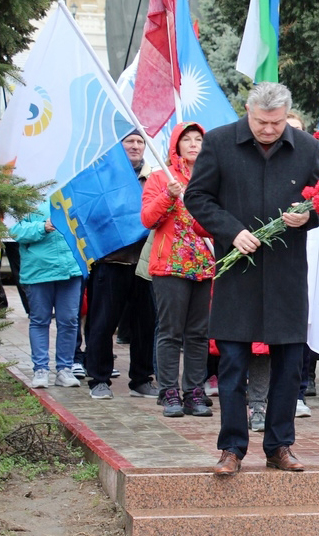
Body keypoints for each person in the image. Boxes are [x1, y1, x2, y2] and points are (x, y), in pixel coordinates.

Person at [185, 82, 319, 477]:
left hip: (286, 273)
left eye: (277, 123)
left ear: (287, 115)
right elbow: (197, 198)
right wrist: (231, 231)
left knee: (288, 364)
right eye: (262, 122)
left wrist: (310, 216)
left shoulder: (307, 147)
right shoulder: (218, 143)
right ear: (248, 110)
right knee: (231, 364)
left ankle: (279, 446)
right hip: (237, 271)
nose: (269, 130)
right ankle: (231, 447)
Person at [140, 122, 214, 419]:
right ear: (176, 145)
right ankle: (168, 390)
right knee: (170, 332)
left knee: (198, 333)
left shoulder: (210, 178)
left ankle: (194, 391)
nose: (194, 144)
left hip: (205, 265)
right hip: (170, 265)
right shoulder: (161, 177)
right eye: (187, 140)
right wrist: (169, 195)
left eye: (199, 139)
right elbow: (147, 218)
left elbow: (216, 221)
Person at [85, 131, 157, 401]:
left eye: (140, 142)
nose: (136, 146)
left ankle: (141, 380)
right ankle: (99, 379)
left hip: (144, 264)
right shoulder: (103, 178)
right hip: (111, 262)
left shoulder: (154, 178)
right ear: (119, 147)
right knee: (102, 324)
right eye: (130, 142)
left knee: (144, 324)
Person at [10, 202, 84, 389]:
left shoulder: (68, 192)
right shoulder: (27, 198)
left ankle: (64, 369)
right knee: (39, 320)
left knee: (69, 321)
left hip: (71, 269)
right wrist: (42, 226)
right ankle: (40, 369)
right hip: (38, 271)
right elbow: (14, 231)